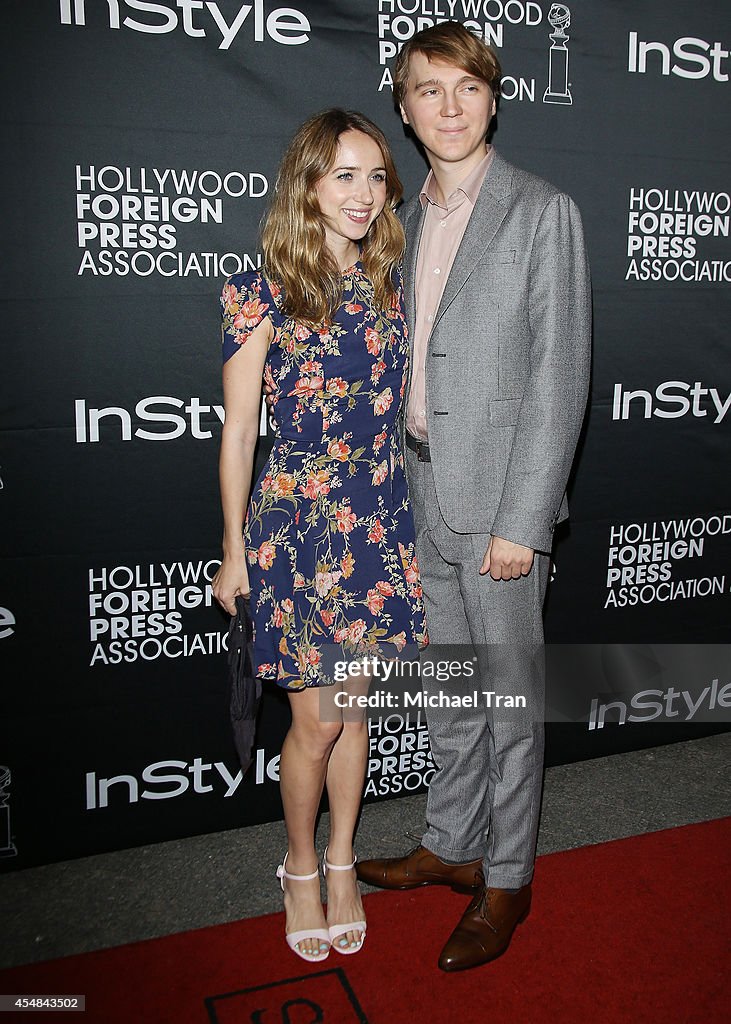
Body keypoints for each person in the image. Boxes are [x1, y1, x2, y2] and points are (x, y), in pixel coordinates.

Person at [355, 22, 592, 972]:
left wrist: (522, 522)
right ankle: (449, 846)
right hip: (417, 489)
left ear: (493, 98)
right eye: (426, 91)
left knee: (507, 700)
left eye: (466, 88)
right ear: (403, 108)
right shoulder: (397, 220)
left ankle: (507, 877)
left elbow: (559, 375)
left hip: (499, 510)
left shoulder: (542, 211)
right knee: (449, 691)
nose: (448, 108)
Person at [211, 108, 427, 963]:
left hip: (375, 517)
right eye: (343, 175)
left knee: (358, 711)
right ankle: (299, 865)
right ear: (306, 183)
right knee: (316, 723)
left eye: (376, 176)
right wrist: (232, 545)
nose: (363, 194)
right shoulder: (258, 285)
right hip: (296, 525)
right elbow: (237, 432)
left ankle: (342, 861)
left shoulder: (392, 281)